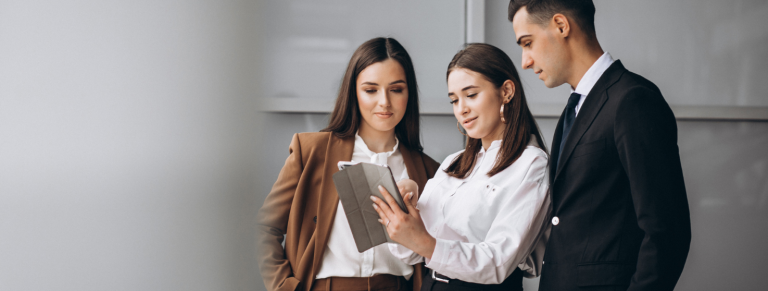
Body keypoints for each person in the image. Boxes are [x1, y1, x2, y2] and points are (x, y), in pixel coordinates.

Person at [507, 1, 692, 290]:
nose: (525, 61)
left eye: (527, 43)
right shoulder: (574, 110)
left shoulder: (632, 101)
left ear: (561, 25)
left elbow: (666, 233)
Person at [256, 37, 440, 291]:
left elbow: (438, 253)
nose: (384, 101)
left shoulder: (429, 171)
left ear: (409, 93)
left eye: (396, 89)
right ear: (353, 91)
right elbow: (263, 229)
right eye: (371, 90)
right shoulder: (311, 152)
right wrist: (286, 287)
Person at [370, 43, 551, 291]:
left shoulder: (531, 163)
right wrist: (405, 213)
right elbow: (412, 255)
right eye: (454, 100)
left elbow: (498, 261)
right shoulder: (453, 163)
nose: (461, 109)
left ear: (507, 91)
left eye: (471, 95)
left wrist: (426, 243)